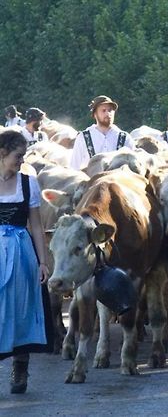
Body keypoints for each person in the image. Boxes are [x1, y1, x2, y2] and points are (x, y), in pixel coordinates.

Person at [0, 130, 52, 394]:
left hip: (21, 251)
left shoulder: (28, 182)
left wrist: (43, 262)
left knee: (21, 304)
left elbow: (36, 224)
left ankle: (20, 365)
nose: (21, 160)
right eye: (18, 155)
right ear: (2, 153)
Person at [70, 95, 134, 170]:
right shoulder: (83, 137)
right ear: (95, 114)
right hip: (91, 180)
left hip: (118, 180)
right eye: (103, 110)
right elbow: (74, 167)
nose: (108, 114)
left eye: (110, 110)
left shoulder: (125, 137)